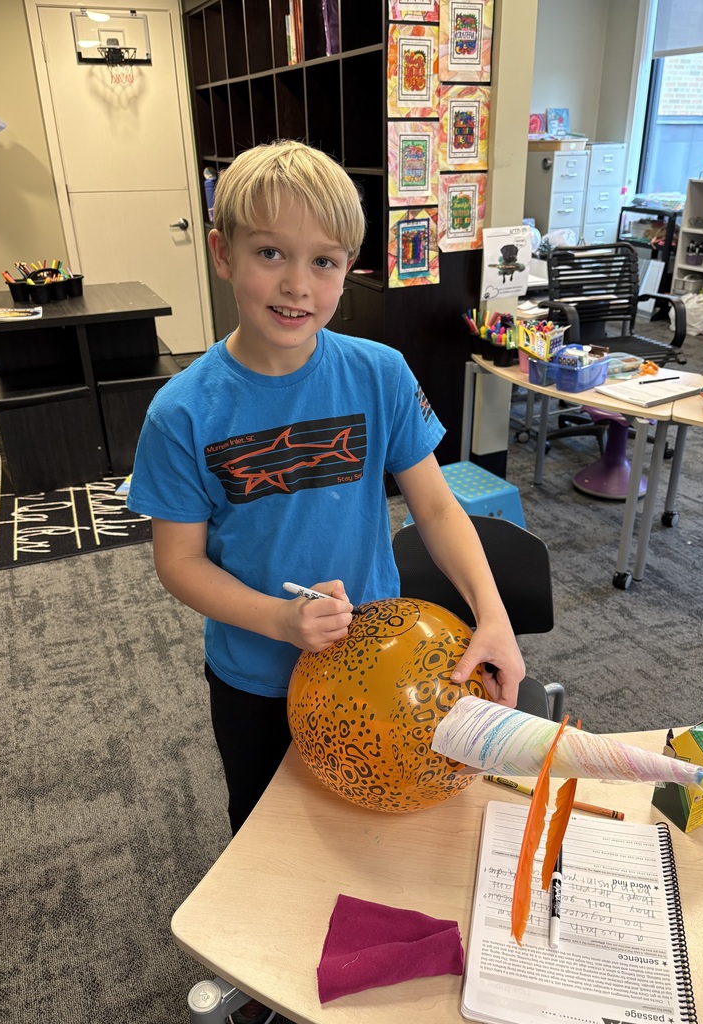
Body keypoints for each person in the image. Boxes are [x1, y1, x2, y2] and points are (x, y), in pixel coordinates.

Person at [128, 138, 525, 832]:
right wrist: (280, 621)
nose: (297, 286)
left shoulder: (381, 373)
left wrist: (492, 614)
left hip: (382, 668)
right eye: (270, 253)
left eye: (324, 262)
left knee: (377, 819)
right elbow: (179, 563)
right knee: (267, 831)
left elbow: (434, 506)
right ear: (223, 253)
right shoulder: (183, 411)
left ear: (349, 269)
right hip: (256, 677)